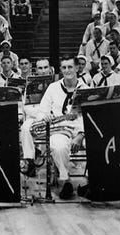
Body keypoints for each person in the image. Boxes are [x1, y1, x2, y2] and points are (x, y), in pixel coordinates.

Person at [19, 56, 86, 199]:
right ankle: (64, 179)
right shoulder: (53, 87)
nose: (67, 70)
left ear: (77, 68)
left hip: (82, 129)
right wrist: (46, 116)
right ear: (60, 70)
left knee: (99, 144)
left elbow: (89, 116)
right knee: (57, 145)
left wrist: (80, 135)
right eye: (64, 67)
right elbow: (42, 110)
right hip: (60, 128)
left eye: (70, 67)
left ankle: (93, 183)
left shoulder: (86, 88)